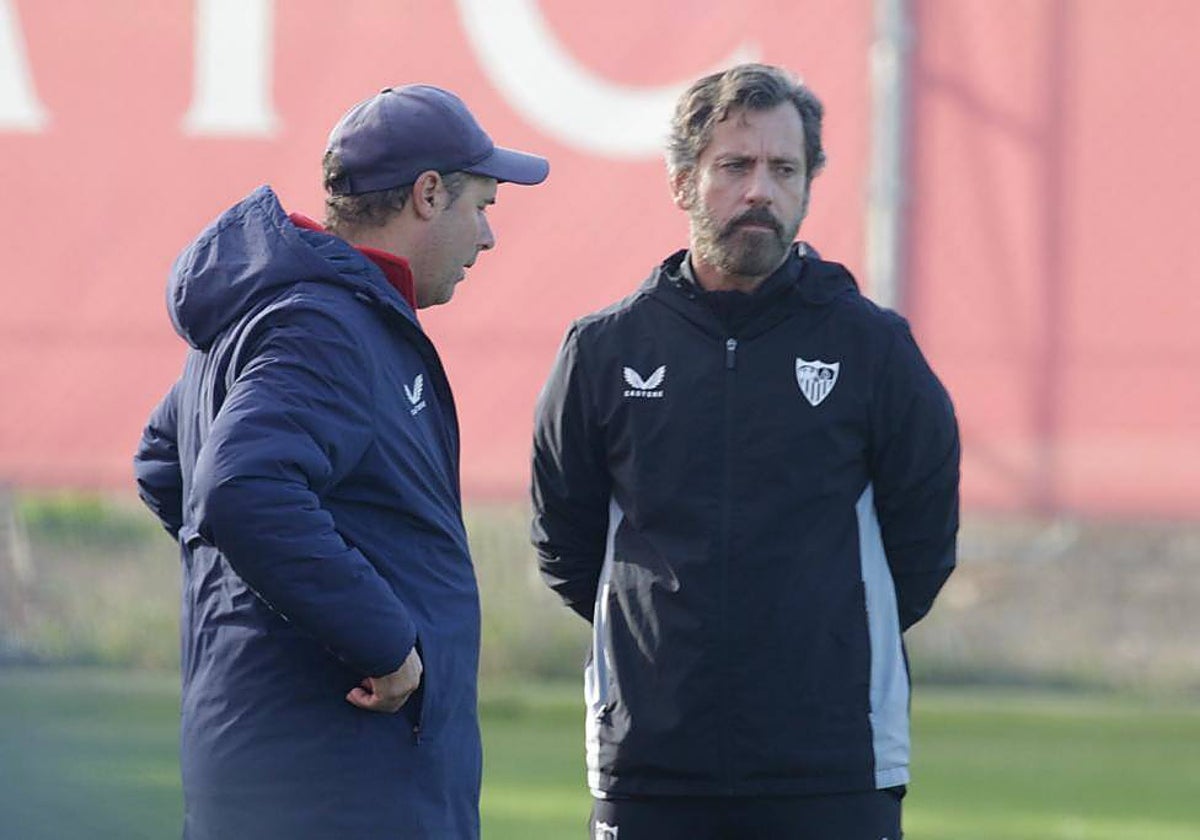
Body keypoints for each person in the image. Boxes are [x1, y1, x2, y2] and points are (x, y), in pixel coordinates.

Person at [531, 63, 959, 840]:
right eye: (735, 166)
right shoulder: (604, 350)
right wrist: (654, 644)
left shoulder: (872, 349)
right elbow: (565, 543)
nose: (759, 190)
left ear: (807, 184)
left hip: (831, 765)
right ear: (683, 181)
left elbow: (923, 544)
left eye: (783, 169)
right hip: (651, 762)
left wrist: (823, 635)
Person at [134, 84, 547, 839]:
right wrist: (381, 639)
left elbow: (166, 464)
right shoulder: (324, 325)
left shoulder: (288, 312)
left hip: (300, 775)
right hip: (337, 787)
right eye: (482, 206)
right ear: (428, 195)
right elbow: (238, 489)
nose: (487, 238)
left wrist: (271, 591)